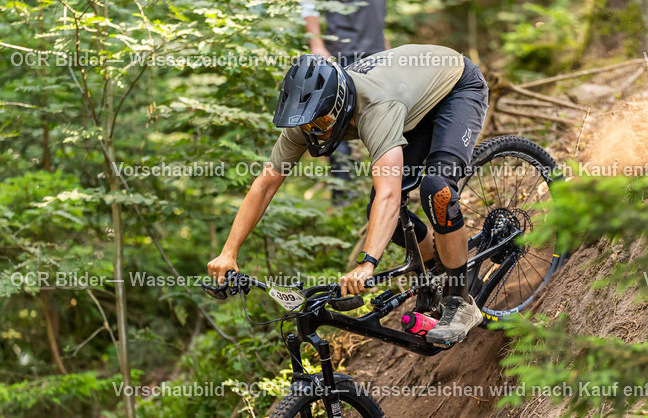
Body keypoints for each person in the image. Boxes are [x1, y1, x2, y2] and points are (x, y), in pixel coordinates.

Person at [207, 45, 488, 346]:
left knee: (437, 190)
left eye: (321, 125)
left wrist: (366, 263)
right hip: (410, 104)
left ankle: (461, 302)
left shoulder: (375, 106)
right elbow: (264, 186)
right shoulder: (307, 117)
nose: (314, 133)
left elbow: (389, 196)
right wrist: (229, 252)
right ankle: (438, 269)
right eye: (307, 127)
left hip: (455, 86)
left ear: (339, 104)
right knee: (381, 217)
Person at [300, 0, 389, 202]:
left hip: (376, 54)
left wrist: (387, 47)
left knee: (380, 120)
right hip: (345, 53)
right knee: (339, 125)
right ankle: (343, 199)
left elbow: (376, 11)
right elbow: (308, 1)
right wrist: (316, 42)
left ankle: (382, 194)